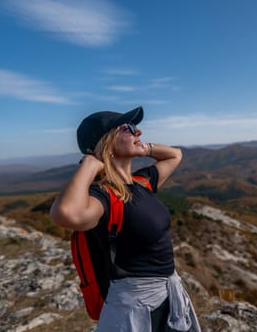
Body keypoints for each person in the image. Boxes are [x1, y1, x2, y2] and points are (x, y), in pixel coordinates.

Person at [50, 106, 201, 332]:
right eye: (128, 128)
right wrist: (90, 164)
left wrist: (146, 149)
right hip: (135, 307)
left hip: (168, 295)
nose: (138, 132)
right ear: (107, 142)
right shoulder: (104, 196)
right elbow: (67, 213)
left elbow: (175, 154)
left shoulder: (141, 182)